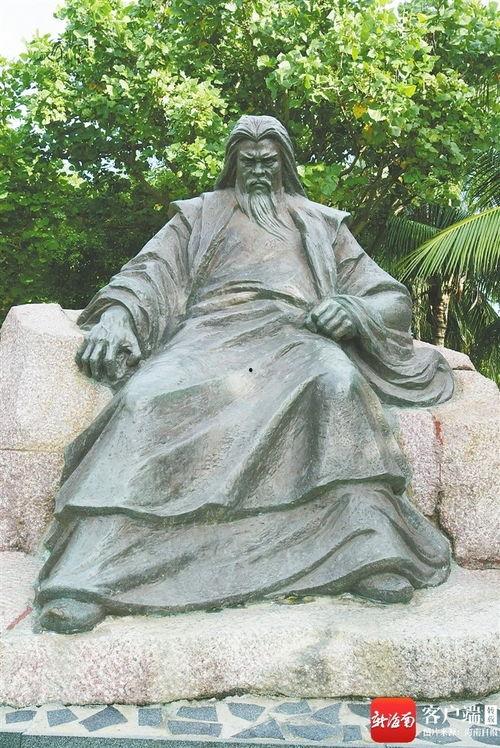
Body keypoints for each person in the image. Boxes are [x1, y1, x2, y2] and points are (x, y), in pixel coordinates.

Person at [36, 115, 453, 634]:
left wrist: (352, 309)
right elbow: (147, 274)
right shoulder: (197, 215)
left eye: (268, 162)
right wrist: (118, 316)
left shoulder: (322, 223)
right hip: (208, 336)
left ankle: (365, 549)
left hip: (297, 337)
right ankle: (89, 571)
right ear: (233, 163)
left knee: (338, 383)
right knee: (143, 398)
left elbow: (389, 297)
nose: (258, 171)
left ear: (285, 164)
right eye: (248, 161)